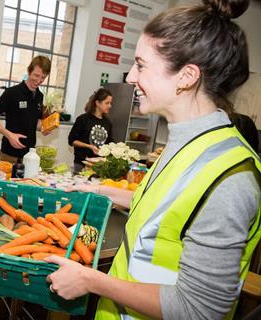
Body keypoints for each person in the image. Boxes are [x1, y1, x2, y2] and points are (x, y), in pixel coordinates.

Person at [45, 1, 261, 319]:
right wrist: (96, 191)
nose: (131, 76)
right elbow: (165, 209)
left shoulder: (230, 180)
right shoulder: (188, 142)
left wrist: (91, 280)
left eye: (142, 65)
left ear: (186, 76)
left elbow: (198, 310)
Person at [0, 55, 52, 163]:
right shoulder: (12, 93)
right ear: (29, 71)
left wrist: (44, 127)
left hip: (29, 157)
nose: (39, 80)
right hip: (9, 155)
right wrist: (9, 135)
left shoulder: (39, 96)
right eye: (36, 75)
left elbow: (34, 122)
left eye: (43, 77)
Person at [68, 88, 114, 174]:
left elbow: (109, 142)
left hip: (100, 165)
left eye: (110, 103)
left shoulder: (108, 123)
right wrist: (89, 146)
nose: (110, 106)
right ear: (97, 103)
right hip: (81, 164)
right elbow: (72, 141)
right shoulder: (82, 119)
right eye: (107, 103)